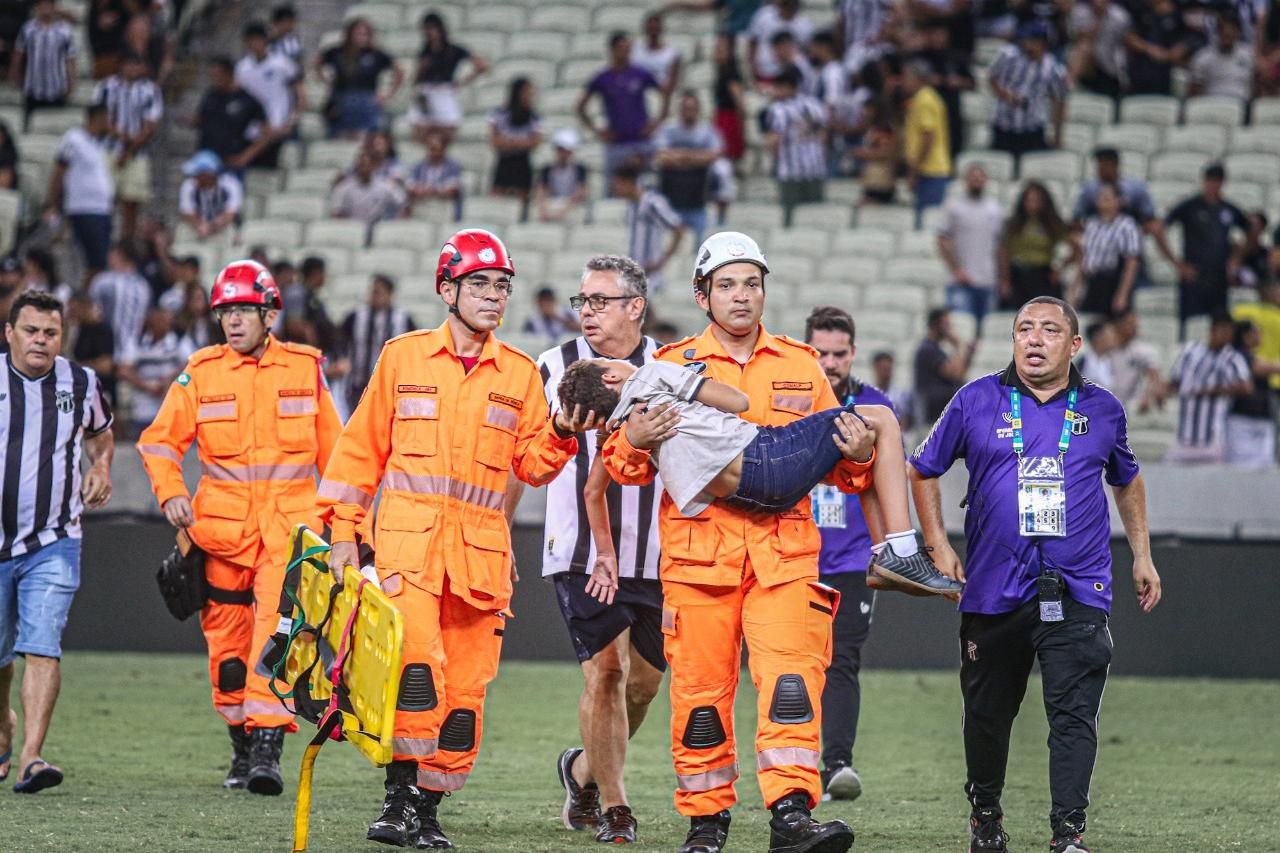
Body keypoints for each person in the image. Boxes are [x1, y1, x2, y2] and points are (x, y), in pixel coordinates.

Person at [597, 232, 878, 853]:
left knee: (791, 688)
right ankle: (706, 823)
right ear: (702, 295)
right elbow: (623, 468)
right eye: (726, 284)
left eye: (751, 282)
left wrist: (859, 459)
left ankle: (792, 817)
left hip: (785, 560)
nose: (741, 295)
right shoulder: (669, 364)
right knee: (700, 697)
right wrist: (637, 438)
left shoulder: (802, 364)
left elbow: (842, 464)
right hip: (700, 563)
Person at [316, 229, 586, 849]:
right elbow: (360, 455)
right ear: (447, 289)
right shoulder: (402, 357)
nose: (495, 297)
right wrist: (343, 536)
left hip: (481, 565)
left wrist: (566, 429)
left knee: (463, 698)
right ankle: (398, 799)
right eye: (480, 284)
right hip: (408, 555)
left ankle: (429, 813)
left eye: (502, 286)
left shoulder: (520, 375)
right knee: (416, 674)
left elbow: (535, 467)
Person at [909, 296, 1161, 853]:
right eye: (1025, 328)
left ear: (1074, 345)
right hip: (994, 588)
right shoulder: (976, 399)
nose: (1035, 339)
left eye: (1050, 330)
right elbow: (922, 467)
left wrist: (1141, 553)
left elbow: (1128, 478)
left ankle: (1067, 835)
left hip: (1078, 586)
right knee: (987, 715)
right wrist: (937, 544)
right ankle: (986, 814)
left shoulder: (1103, 408)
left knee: (1073, 716)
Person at [137, 261, 342, 794]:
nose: (232, 321)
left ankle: (268, 748)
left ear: (269, 313)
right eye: (225, 311)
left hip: (291, 537)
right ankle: (241, 743)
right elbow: (158, 443)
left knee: (276, 637)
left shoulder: (304, 369)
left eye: (243, 311)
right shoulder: (200, 373)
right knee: (227, 652)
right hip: (222, 536)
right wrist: (172, 493)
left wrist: (347, 530)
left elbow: (339, 459)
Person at [515, 256, 666, 845]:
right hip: (577, 548)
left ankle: (581, 771)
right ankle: (616, 806)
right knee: (607, 671)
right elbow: (518, 455)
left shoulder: (670, 367)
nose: (588, 311)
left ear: (636, 307)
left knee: (644, 685)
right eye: (584, 301)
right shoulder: (549, 366)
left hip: (654, 551)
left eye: (602, 300)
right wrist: (501, 533)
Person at [0, 290, 114, 794]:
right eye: (31, 331)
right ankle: (4, 725)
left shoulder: (81, 382)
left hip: (55, 538)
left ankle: (31, 756)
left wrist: (102, 466)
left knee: (43, 646)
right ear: (9, 334)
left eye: (50, 333)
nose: (41, 341)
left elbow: (101, 434)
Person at [802, 307, 892, 802]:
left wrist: (887, 548)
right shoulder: (788, 399)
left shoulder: (876, 408)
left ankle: (837, 764)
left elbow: (886, 484)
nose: (831, 363)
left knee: (842, 661)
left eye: (839, 354)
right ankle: (793, 765)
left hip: (854, 562)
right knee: (794, 665)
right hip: (794, 557)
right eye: (821, 353)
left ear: (853, 353)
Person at [1160, 163, 1251, 334]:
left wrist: (1235, 259)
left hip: (1219, 275)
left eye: (1217, 181)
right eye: (1210, 181)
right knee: (1191, 323)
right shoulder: (1190, 206)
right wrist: (1177, 263)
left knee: (1219, 323)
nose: (1213, 185)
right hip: (1194, 274)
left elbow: (1250, 231)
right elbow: (1159, 228)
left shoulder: (1228, 209)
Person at [578, 31, 669, 189]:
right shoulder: (603, 78)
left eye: (628, 48)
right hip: (617, 144)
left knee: (648, 187)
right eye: (622, 48)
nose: (626, 52)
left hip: (641, 141)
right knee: (613, 190)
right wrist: (597, 130)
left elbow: (665, 93)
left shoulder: (640, 74)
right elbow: (580, 106)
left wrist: (656, 122)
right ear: (612, 50)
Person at [1166, 309, 1252, 463]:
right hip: (1183, 437)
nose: (1228, 336)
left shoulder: (1232, 358)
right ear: (1214, 329)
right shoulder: (1190, 351)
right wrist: (1159, 393)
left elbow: (1246, 387)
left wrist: (1215, 390)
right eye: (1225, 331)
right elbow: (1174, 380)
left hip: (1212, 439)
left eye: (1230, 332)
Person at [95, 51, 162, 242]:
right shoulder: (106, 87)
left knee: (132, 200)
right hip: (109, 149)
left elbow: (150, 126)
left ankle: (127, 241)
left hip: (137, 152)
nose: (132, 69)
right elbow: (102, 119)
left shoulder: (150, 91)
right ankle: (103, 237)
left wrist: (129, 149)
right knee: (104, 198)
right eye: (129, 64)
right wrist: (124, 140)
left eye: (137, 64)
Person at [46, 104, 115, 286]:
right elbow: (59, 172)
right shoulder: (74, 139)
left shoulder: (98, 143)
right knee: (96, 262)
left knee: (100, 260)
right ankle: (85, 299)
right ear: (98, 118)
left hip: (101, 208)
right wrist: (53, 203)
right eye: (107, 118)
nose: (110, 123)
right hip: (84, 207)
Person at [987, 21, 1068, 162]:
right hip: (1003, 125)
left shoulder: (1054, 69)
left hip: (1032, 129)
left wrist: (1057, 134)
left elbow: (1059, 100)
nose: (1025, 43)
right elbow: (992, 78)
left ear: (1041, 43)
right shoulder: (1008, 56)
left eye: (1031, 40)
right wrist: (1005, 94)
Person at [938, 164, 1003, 333]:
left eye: (980, 177)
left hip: (988, 280)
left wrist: (1003, 278)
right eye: (972, 177)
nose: (976, 181)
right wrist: (957, 270)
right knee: (961, 329)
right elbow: (942, 239)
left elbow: (1000, 246)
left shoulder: (994, 209)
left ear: (985, 181)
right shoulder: (954, 207)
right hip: (961, 281)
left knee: (985, 332)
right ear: (965, 180)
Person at [654, 90, 723, 248]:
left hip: (698, 200)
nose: (689, 112)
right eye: (685, 108)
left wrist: (681, 157)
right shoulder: (668, 129)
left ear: (698, 110)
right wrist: (695, 158)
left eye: (692, 108)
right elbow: (660, 155)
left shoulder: (707, 131)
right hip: (671, 200)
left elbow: (715, 154)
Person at [338, 273, 415, 414]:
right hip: (358, 384)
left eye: (378, 292)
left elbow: (414, 348)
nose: (373, 296)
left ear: (390, 294)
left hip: (389, 385)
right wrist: (342, 359)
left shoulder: (402, 319)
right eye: (372, 291)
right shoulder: (356, 316)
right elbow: (339, 340)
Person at [410, 11, 489, 146]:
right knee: (421, 130)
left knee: (447, 129)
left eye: (432, 28)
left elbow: (482, 66)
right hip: (425, 91)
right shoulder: (424, 52)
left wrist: (463, 81)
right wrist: (422, 68)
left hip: (444, 90)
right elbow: (415, 80)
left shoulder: (453, 50)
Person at [315, 17, 402, 138]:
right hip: (342, 99)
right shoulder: (338, 52)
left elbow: (398, 71)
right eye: (359, 33)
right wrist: (325, 80)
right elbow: (317, 62)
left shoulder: (375, 54)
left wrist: (388, 95)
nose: (362, 37)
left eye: (365, 34)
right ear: (350, 34)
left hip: (366, 100)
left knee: (371, 132)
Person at [116, 304, 195, 437]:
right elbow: (122, 371)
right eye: (160, 318)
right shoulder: (137, 341)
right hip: (143, 411)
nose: (164, 322)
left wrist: (174, 382)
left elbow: (194, 368)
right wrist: (146, 386)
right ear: (150, 320)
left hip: (175, 410)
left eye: (166, 318)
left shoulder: (180, 341)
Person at [235, 22, 304, 169]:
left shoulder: (282, 64)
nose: (254, 44)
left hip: (279, 127)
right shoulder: (242, 68)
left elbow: (300, 95)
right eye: (250, 40)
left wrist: (290, 122)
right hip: (253, 130)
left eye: (257, 39)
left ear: (265, 40)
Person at [765, 65, 827, 227]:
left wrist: (775, 163)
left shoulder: (778, 109)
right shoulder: (814, 105)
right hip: (815, 169)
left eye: (778, 87)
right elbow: (824, 134)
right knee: (815, 216)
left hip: (789, 172)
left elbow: (774, 140)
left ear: (787, 87)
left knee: (789, 217)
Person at [999, 181, 1072, 309]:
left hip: (1042, 275)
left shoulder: (1052, 224)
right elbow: (1004, 250)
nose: (1032, 204)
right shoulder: (1015, 224)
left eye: (1036, 200)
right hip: (1018, 275)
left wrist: (1060, 269)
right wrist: (1005, 279)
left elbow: (1076, 249)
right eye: (1029, 200)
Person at [194, 57, 272, 175]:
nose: (213, 80)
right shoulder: (211, 96)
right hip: (206, 161)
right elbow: (200, 119)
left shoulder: (247, 100)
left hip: (230, 163)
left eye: (217, 75)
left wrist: (246, 156)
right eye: (212, 76)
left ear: (229, 74)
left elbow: (267, 133)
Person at [613, 166, 685, 293]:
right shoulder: (631, 205)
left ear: (629, 182)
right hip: (635, 270)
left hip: (651, 271)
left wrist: (663, 260)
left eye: (618, 184)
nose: (615, 189)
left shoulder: (653, 203)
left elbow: (678, 229)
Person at [1074, 184, 1141, 315]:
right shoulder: (1091, 224)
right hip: (1093, 280)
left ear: (1119, 201)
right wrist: (1076, 288)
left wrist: (1123, 294)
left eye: (1107, 197)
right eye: (1101, 197)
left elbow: (1131, 262)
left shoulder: (1127, 226)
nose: (1103, 200)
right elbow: (1085, 258)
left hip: (1112, 279)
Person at [10, 0, 77, 131]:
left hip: (57, 88)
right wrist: (15, 73)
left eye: (48, 4)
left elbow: (70, 58)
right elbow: (19, 53)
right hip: (32, 88)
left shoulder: (64, 30)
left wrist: (71, 83)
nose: (45, 8)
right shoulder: (28, 29)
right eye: (42, 4)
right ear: (37, 7)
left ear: (54, 7)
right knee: (28, 126)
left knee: (56, 125)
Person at [902, 60, 951, 227]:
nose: (904, 81)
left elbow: (928, 137)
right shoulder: (924, 98)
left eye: (907, 77)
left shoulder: (925, 100)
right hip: (928, 169)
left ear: (919, 79)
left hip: (930, 170)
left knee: (926, 221)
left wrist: (915, 170)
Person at [1226, 321, 1280, 466]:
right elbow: (1260, 368)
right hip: (1242, 419)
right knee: (1240, 466)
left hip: (1262, 418)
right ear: (1247, 336)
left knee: (1264, 465)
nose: (1260, 336)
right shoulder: (1237, 355)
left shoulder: (1254, 356)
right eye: (1257, 332)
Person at [89, 242, 150, 363]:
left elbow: (93, 314)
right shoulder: (143, 285)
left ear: (120, 255)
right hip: (133, 350)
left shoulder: (103, 281)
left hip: (104, 351)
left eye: (112, 254)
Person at [915, 308, 976, 424]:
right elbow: (955, 374)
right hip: (931, 414)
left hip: (941, 412)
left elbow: (961, 373)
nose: (950, 328)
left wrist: (968, 355)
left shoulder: (937, 349)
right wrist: (957, 345)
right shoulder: (927, 349)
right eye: (947, 324)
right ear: (937, 325)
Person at [330, 150, 406, 241]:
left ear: (374, 166)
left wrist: (394, 224)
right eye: (361, 166)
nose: (364, 169)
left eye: (367, 165)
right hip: (352, 232)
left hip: (377, 232)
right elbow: (336, 213)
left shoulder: (385, 185)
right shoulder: (344, 187)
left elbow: (403, 204)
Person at [489, 77, 543, 206]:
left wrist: (511, 143)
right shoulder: (499, 114)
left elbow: (535, 142)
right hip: (504, 160)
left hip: (522, 162)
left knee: (523, 197)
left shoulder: (533, 117)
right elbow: (495, 141)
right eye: (526, 92)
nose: (529, 95)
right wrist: (521, 143)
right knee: (497, 195)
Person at [1104, 309, 1166, 413]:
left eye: (1136, 324)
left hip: (1134, 406)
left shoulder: (1144, 351)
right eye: (1130, 324)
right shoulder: (1106, 351)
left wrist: (1149, 395)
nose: (1135, 327)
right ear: (1118, 326)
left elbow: (1155, 379)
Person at [1123, 0, 1191, 96]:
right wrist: (1149, 49)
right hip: (1141, 70)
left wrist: (1178, 50)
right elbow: (1127, 37)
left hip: (1166, 71)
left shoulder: (1174, 10)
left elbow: (1185, 36)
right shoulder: (1137, 7)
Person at [1067, 0, 1131, 101]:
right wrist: (1099, 18)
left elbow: (1127, 40)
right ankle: (1069, 85)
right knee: (1084, 47)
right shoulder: (1080, 12)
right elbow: (1082, 38)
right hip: (1089, 65)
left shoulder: (1120, 15)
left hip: (1111, 64)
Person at [178, 150, 244, 241]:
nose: (194, 177)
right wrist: (200, 225)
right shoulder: (189, 185)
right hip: (197, 227)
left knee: (233, 232)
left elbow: (231, 213)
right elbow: (187, 212)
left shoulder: (230, 184)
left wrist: (214, 226)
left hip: (223, 227)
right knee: (182, 231)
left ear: (208, 174)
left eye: (197, 174)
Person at [1189, 12, 1254, 102]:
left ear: (1238, 32)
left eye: (1231, 30)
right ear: (1217, 32)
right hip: (1213, 106)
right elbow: (1194, 91)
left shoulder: (1249, 54)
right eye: (1222, 29)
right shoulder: (1203, 57)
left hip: (1242, 106)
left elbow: (1258, 85)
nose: (1227, 33)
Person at [748, 0, 814, 83]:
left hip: (790, 75)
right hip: (764, 71)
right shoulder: (764, 15)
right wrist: (753, 67)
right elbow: (752, 43)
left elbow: (806, 50)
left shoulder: (804, 24)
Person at [406, 132, 464, 223]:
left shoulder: (453, 166)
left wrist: (431, 190)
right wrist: (421, 190)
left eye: (436, 148)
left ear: (443, 149)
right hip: (423, 205)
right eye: (430, 148)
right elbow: (410, 186)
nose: (432, 152)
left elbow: (452, 189)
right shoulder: (420, 166)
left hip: (444, 206)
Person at [1234, 280, 1280, 391]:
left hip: (1244, 376)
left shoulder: (1240, 311)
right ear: (1272, 294)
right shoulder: (1277, 318)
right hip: (1274, 378)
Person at [535, 129, 590, 223]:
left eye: (566, 151)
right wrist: (544, 210)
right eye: (560, 150)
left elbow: (581, 192)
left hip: (571, 205)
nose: (563, 154)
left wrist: (563, 211)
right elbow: (542, 191)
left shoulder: (580, 169)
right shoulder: (547, 169)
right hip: (553, 203)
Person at [711, 33, 747, 166]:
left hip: (729, 119)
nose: (717, 50)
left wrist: (740, 128)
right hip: (723, 117)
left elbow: (740, 103)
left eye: (721, 48)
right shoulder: (722, 71)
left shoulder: (730, 73)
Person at [631, 12, 683, 94]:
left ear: (661, 29)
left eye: (656, 27)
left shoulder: (671, 54)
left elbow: (673, 82)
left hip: (660, 94)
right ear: (645, 28)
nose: (653, 31)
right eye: (651, 27)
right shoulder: (635, 51)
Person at [871, 350, 914, 430]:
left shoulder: (901, 396)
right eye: (884, 369)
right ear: (876, 368)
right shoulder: (867, 396)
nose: (887, 373)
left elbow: (907, 420)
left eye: (889, 369)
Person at [1074, 319, 1117, 387]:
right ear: (1097, 337)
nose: (1113, 337)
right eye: (1109, 334)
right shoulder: (1083, 360)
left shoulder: (1111, 361)